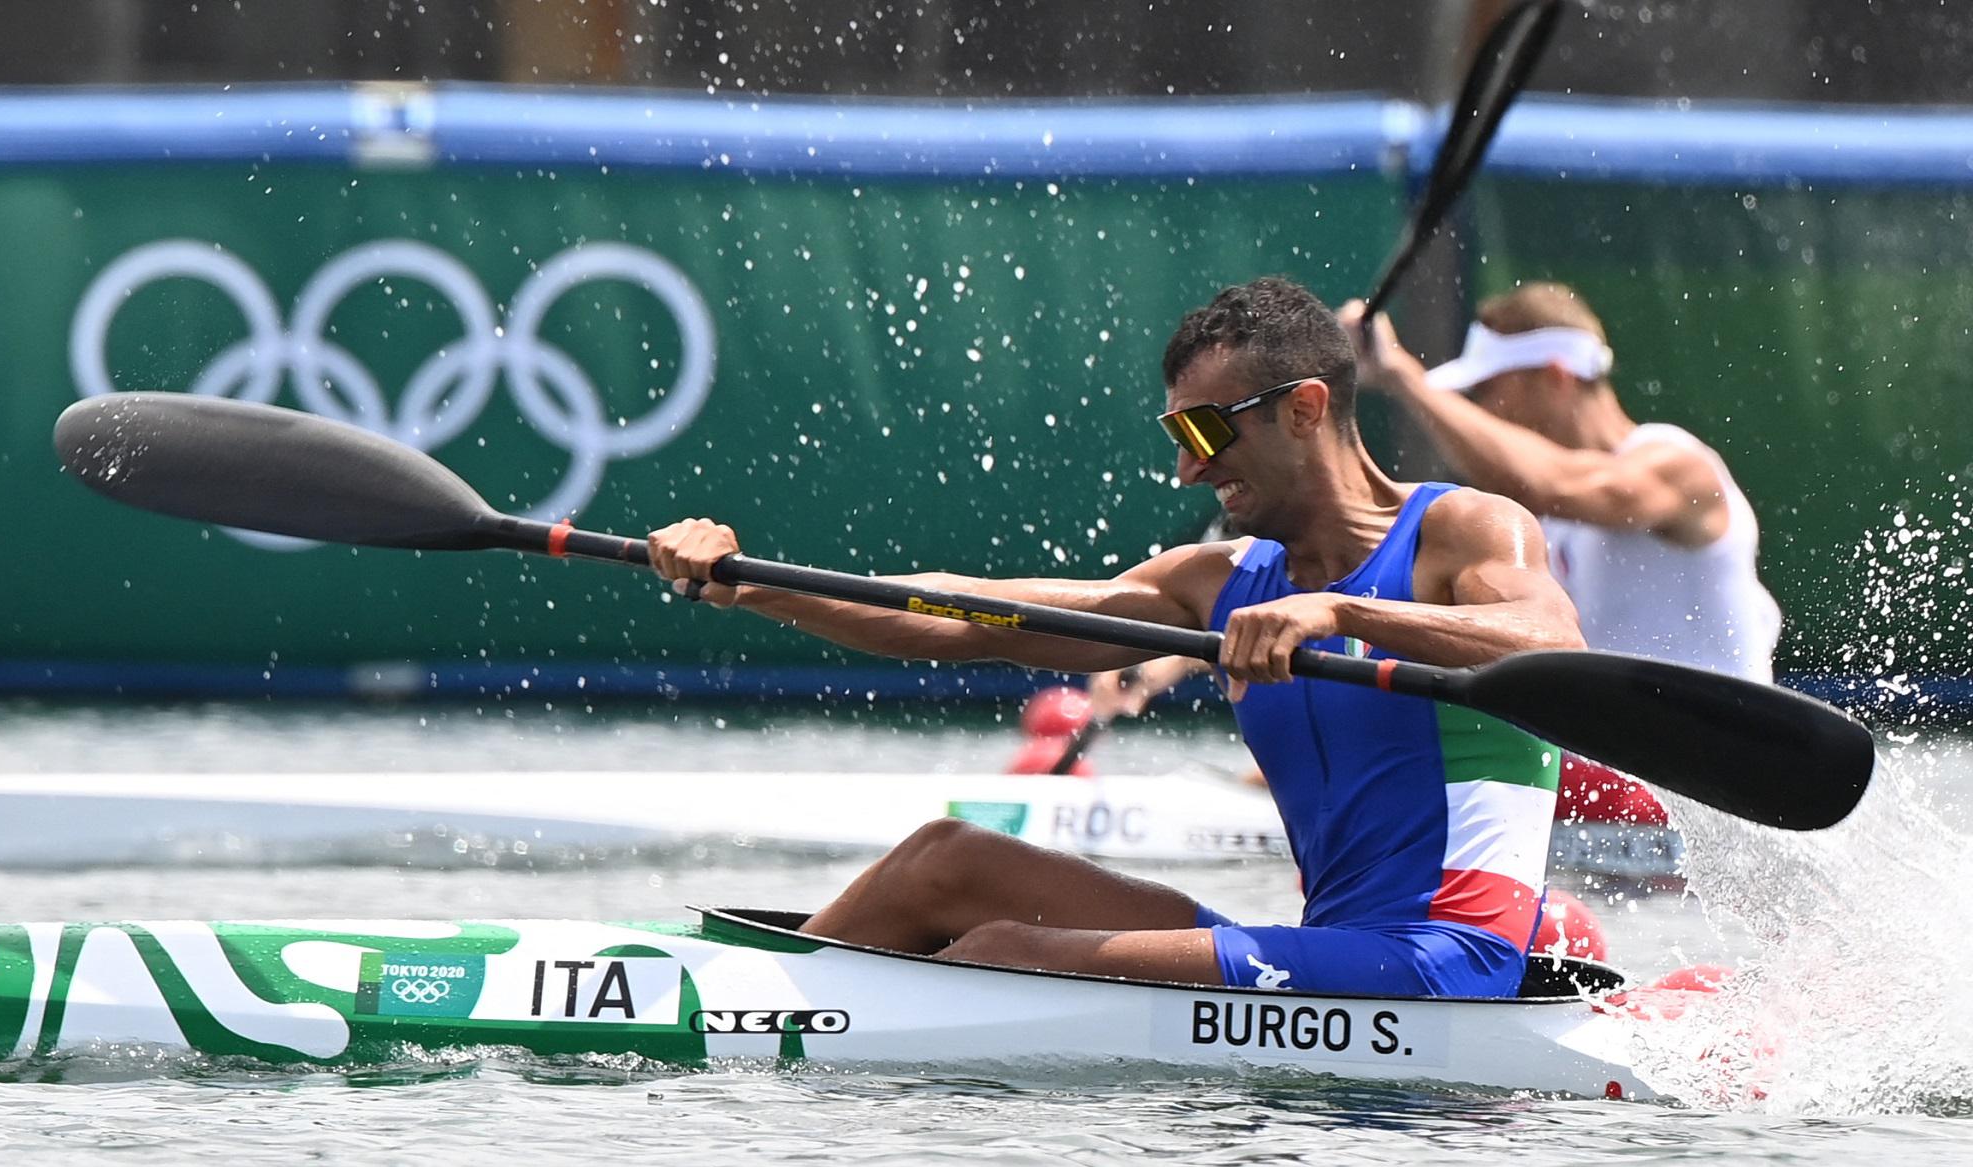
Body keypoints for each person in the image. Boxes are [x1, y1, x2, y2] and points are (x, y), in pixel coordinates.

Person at [647, 276, 1585, 998]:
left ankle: (756, 1015)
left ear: (1304, 409)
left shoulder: (1465, 532)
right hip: (1332, 952)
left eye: (1206, 430)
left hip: (1449, 963)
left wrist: (1339, 613)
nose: (1185, 468)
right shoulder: (1217, 586)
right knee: (949, 859)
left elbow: (1553, 649)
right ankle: (727, 997)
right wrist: (749, 583)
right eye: (1177, 432)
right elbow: (967, 615)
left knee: (1004, 953)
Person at [1338, 282, 1782, 682]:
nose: (1484, 411)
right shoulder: (1538, 523)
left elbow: (1547, 483)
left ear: (1556, 375)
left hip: (1719, 760)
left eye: (1489, 389)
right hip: (1624, 761)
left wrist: (1401, 375)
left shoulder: (1680, 467)